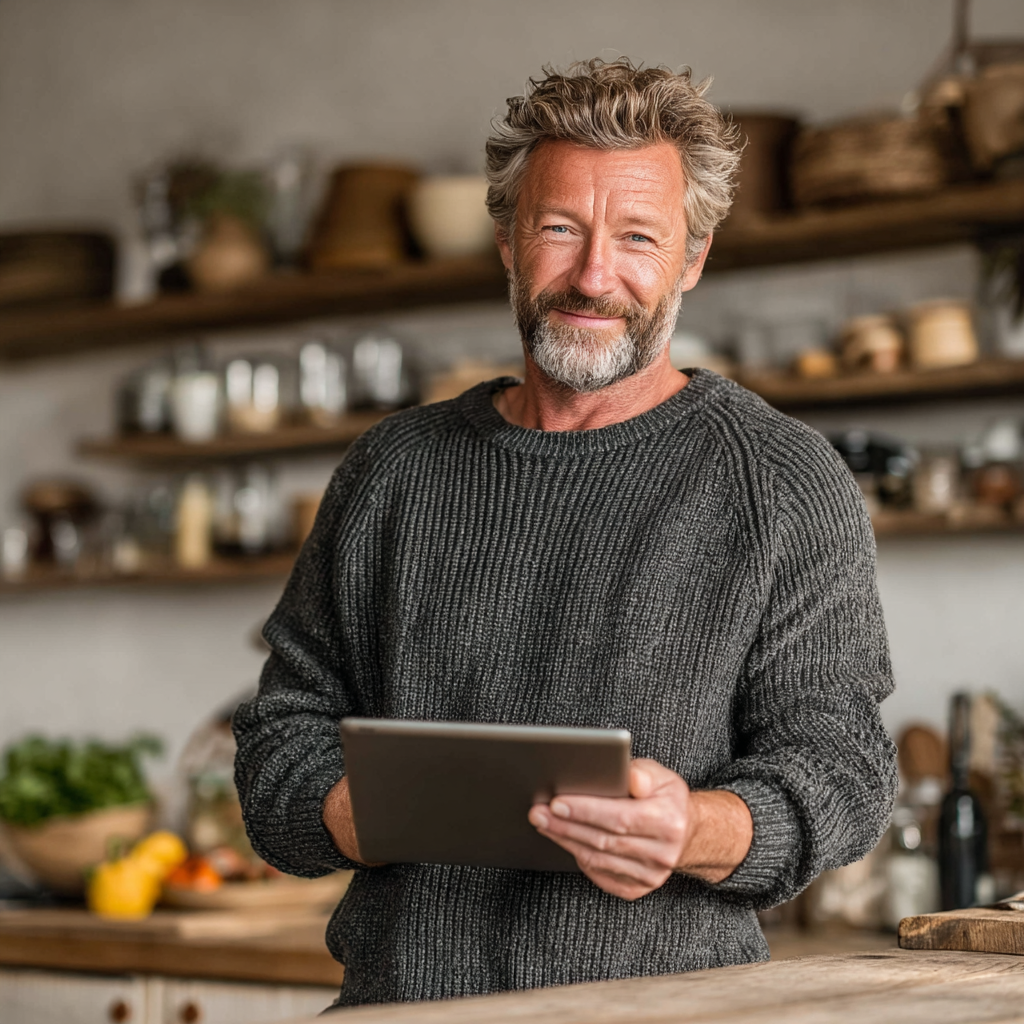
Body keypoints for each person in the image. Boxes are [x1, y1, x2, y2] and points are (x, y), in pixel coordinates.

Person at [233, 58, 897, 1008]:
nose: (594, 275)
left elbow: (842, 764)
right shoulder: (393, 471)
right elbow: (278, 734)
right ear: (507, 240)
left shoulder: (781, 482)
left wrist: (695, 828)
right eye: (559, 229)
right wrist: (350, 811)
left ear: (692, 258)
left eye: (637, 236)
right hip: (399, 1005)